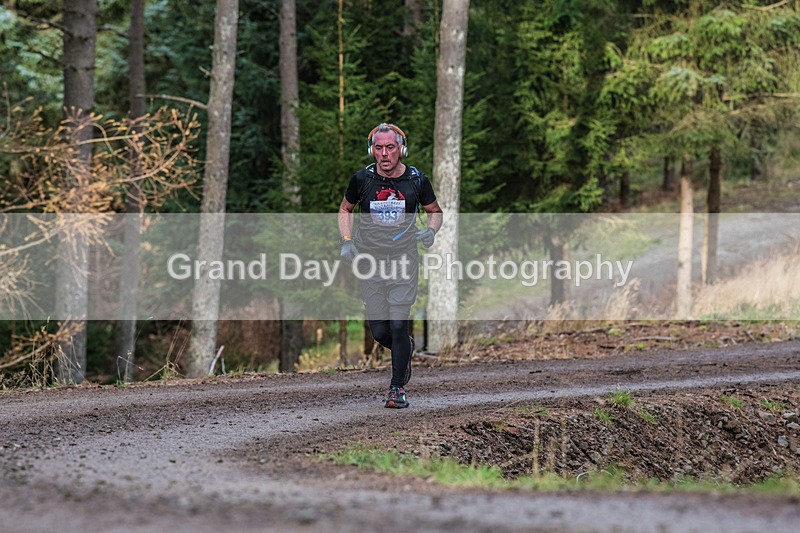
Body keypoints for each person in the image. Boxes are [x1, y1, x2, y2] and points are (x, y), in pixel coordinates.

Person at [338, 123, 443, 409]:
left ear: (401, 149)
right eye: (379, 148)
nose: (384, 154)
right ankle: (405, 348)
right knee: (380, 332)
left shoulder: (417, 180)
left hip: (403, 259)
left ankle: (397, 388)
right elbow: (345, 209)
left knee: (398, 325)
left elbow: (435, 212)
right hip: (369, 260)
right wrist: (347, 240)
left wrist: (431, 231)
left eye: (390, 147)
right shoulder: (361, 179)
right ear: (371, 149)